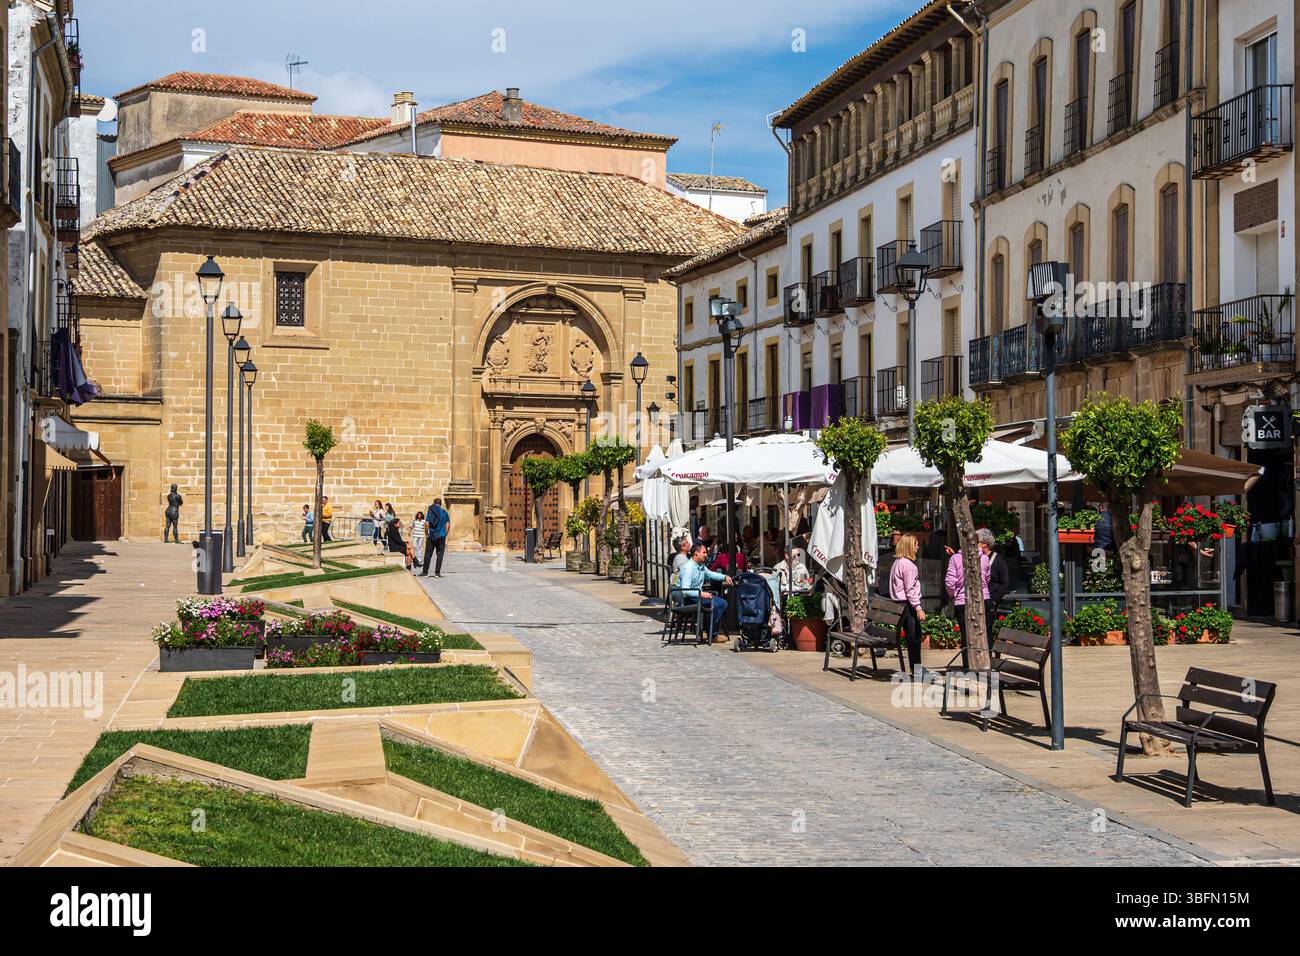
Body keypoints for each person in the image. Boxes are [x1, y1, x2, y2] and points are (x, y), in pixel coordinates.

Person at [944, 541, 990, 669]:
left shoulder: (955, 558)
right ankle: (982, 664)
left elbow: (949, 581)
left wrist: (953, 594)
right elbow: (987, 578)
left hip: (962, 600)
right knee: (982, 633)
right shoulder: (985, 558)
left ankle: (967, 665)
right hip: (983, 599)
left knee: (966, 635)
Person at [678, 542, 733, 642]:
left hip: (697, 596)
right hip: (688, 599)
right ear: (696, 553)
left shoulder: (701, 566)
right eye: (704, 552)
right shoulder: (688, 568)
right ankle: (711, 633)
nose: (706, 555)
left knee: (721, 603)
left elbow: (711, 574)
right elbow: (685, 590)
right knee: (716, 604)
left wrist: (724, 577)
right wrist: (701, 594)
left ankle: (708, 630)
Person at [889, 533, 926, 678]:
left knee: (913, 637)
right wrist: (918, 608)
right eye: (916, 544)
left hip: (900, 604)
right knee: (914, 638)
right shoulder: (909, 566)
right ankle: (916, 669)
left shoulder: (898, 562)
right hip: (908, 606)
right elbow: (910, 590)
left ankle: (915, 668)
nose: (918, 546)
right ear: (910, 546)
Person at [979, 528, 1011, 644]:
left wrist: (993, 600)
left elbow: (1005, 582)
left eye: (977, 542)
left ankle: (989, 656)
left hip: (990, 601)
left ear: (985, 544)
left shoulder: (997, 559)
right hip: (978, 601)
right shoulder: (976, 558)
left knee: (987, 631)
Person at [422, 497, 451, 577]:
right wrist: (445, 534)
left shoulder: (431, 511)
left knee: (428, 554)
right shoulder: (445, 513)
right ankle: (437, 573)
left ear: (434, 503)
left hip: (432, 535)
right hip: (441, 536)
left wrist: (426, 533)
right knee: (440, 554)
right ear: (440, 504)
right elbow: (447, 525)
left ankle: (425, 572)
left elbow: (427, 523)